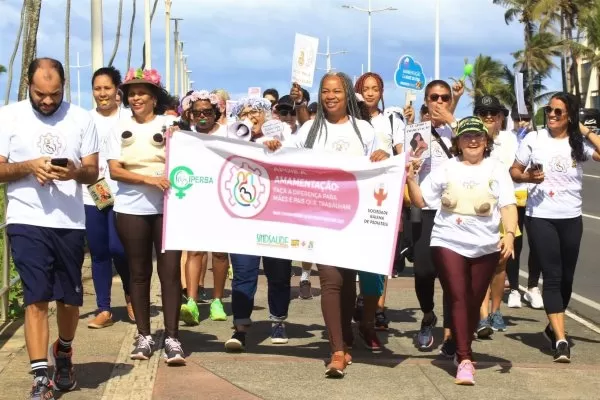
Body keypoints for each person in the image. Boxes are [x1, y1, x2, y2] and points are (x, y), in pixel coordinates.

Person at [265, 71, 389, 378]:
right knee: (331, 280)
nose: (330, 96)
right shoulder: (308, 129)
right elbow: (287, 154)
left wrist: (382, 155)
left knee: (347, 282)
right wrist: (270, 146)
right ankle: (336, 351)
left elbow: (382, 162)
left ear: (347, 94)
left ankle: (345, 338)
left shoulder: (364, 129)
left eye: (336, 91)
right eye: (325, 91)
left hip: (354, 218)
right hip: (319, 217)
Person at [0, 57, 99, 399]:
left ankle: (65, 352)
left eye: (54, 94)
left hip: (69, 222)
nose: (47, 101)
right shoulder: (7, 116)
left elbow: (93, 172)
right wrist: (29, 166)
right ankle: (40, 377)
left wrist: (73, 171)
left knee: (69, 301)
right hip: (26, 219)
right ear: (29, 85)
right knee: (36, 297)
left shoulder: (82, 118)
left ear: (64, 88)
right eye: (40, 94)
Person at [407, 116, 517, 385]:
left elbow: (508, 205)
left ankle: (460, 344)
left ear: (486, 141)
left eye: (478, 136)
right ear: (458, 142)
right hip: (448, 240)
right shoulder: (447, 168)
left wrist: (510, 235)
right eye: (467, 136)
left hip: (485, 244)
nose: (473, 140)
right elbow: (421, 200)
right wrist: (410, 178)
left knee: (472, 300)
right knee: (457, 295)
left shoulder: (496, 168)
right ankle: (465, 359)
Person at [510, 92, 600, 362]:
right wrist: (528, 177)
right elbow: (514, 171)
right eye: (549, 110)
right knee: (552, 274)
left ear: (569, 116)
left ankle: (552, 326)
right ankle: (561, 340)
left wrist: (582, 128)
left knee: (567, 278)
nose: (551, 115)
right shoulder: (534, 139)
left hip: (571, 218)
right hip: (540, 217)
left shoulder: (577, 143)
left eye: (558, 112)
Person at [106, 67, 185, 365]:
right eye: (131, 93)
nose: (136, 98)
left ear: (154, 97)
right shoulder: (118, 127)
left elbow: (191, 156)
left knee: (170, 273)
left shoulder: (172, 124)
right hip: (130, 209)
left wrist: (181, 138)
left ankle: (173, 338)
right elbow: (115, 170)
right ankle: (144, 335)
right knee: (138, 274)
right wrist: (148, 180)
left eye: (142, 93)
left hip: (169, 208)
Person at [223, 96, 293, 352]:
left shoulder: (283, 135)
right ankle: (240, 328)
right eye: (247, 112)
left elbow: (297, 163)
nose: (252, 116)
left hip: (276, 217)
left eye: (257, 112)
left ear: (267, 116)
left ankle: (278, 320)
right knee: (243, 273)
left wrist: (280, 149)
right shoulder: (230, 138)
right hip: (243, 218)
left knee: (279, 273)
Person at [86, 67, 133, 329]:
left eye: (106, 88)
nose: (102, 93)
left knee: (119, 248)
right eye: (97, 88)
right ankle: (104, 309)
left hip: (126, 193)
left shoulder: (128, 118)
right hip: (92, 192)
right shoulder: (85, 120)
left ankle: (131, 296)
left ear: (117, 91)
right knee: (100, 252)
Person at [176, 90, 229, 325]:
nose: (203, 116)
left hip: (222, 201)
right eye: (198, 113)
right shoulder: (183, 137)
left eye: (208, 111)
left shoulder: (229, 133)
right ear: (190, 115)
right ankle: (192, 302)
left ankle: (217, 301)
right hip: (195, 200)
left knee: (219, 252)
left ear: (216, 112)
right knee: (195, 250)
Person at [506, 102, 543, 309]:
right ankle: (513, 289)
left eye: (526, 118)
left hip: (535, 198)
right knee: (514, 245)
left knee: (537, 244)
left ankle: (532, 287)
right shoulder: (505, 138)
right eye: (518, 117)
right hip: (513, 198)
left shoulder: (538, 138)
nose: (522, 122)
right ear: (512, 117)